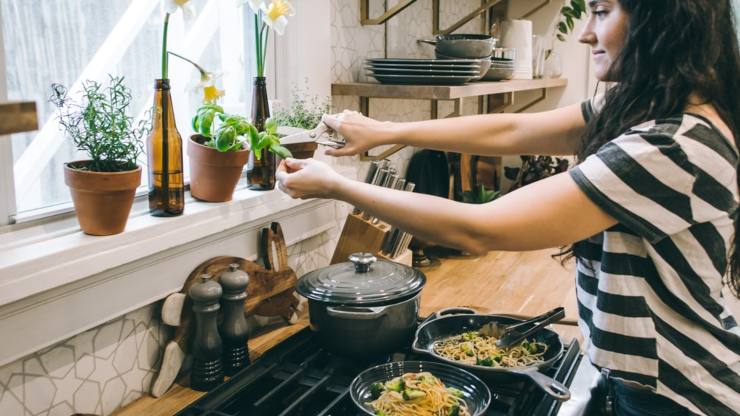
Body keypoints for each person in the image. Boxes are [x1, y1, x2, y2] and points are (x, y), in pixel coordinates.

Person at [277, 1, 740, 415]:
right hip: (642, 382)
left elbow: (480, 228)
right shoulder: (648, 110)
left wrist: (338, 187)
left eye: (601, 11)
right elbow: (513, 132)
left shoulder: (669, 145)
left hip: (676, 395)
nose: (585, 33)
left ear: (662, 19)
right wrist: (386, 130)